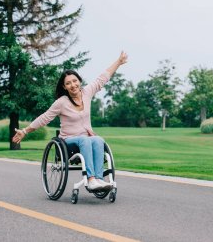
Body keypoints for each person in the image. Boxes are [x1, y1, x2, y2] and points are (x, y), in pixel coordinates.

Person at [12, 51, 128, 190]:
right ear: (64, 87)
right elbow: (44, 118)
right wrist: (25, 131)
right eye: (68, 83)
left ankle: (98, 178)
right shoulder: (62, 102)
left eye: (74, 81)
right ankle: (90, 180)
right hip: (69, 143)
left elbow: (103, 78)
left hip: (87, 140)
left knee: (98, 140)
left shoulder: (87, 93)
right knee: (85, 140)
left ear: (79, 81)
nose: (73, 85)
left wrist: (118, 62)